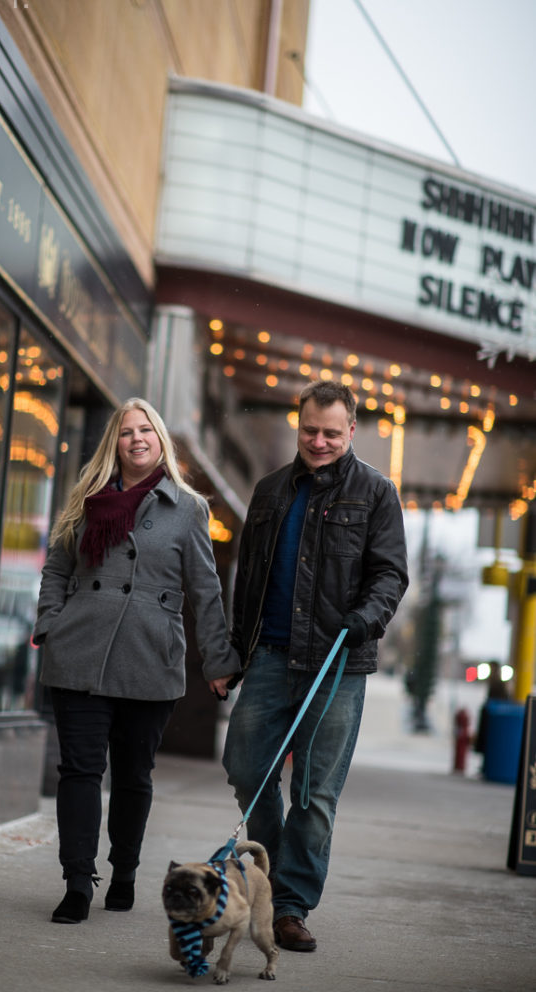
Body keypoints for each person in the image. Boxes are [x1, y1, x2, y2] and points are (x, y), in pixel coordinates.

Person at [33, 397, 240, 924]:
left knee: (132, 776)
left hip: (149, 656)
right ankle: (77, 882)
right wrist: (50, 624)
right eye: (126, 432)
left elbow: (206, 590)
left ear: (161, 440)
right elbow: (57, 567)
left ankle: (123, 870)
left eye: (146, 430)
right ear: (115, 443)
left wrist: (219, 661)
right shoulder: (85, 497)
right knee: (79, 771)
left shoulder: (187, 507)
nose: (137, 439)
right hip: (78, 650)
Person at [223, 380, 408, 952]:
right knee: (247, 768)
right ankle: (272, 879)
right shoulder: (270, 490)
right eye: (310, 430)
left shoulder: (377, 492)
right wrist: (234, 652)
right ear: (296, 425)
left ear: (351, 430)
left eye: (331, 432)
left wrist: (366, 616)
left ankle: (290, 907)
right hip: (271, 658)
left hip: (338, 665)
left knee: (315, 793)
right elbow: (249, 580)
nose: (320, 441)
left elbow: (391, 574)